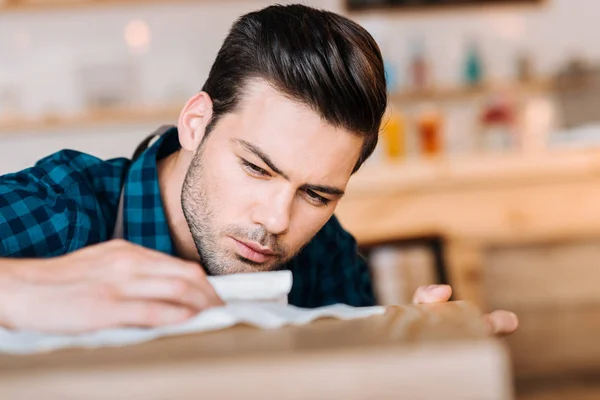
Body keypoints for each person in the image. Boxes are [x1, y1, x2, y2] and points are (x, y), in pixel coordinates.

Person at [0, 4, 517, 335]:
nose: (276, 220)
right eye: (257, 168)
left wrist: (410, 355)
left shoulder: (325, 254)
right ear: (196, 123)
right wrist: (18, 290)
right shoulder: (64, 209)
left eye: (316, 195)